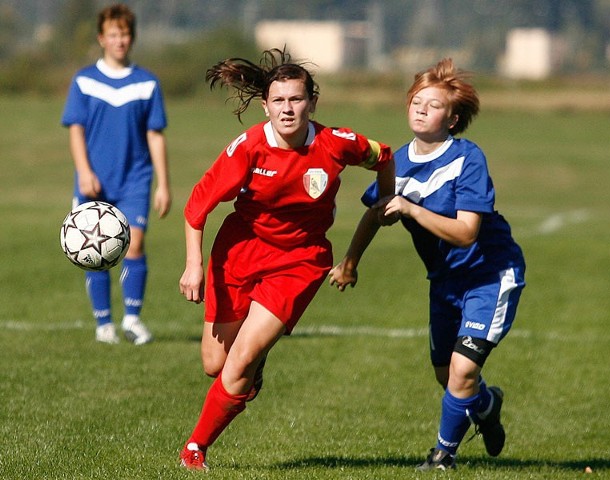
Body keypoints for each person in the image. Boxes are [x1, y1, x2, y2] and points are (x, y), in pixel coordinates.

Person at [177, 47, 395, 470]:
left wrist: (387, 198)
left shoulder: (337, 143)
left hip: (300, 261)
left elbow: (383, 155)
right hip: (240, 251)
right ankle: (254, 362)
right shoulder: (249, 148)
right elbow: (197, 207)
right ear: (266, 105)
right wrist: (193, 264)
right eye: (279, 100)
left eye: (296, 99)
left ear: (312, 102)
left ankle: (195, 448)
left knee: (237, 364)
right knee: (214, 365)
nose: (288, 108)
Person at [329, 58, 526, 470]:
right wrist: (349, 262)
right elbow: (375, 212)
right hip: (445, 282)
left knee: (461, 370)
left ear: (452, 119)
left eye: (433, 105)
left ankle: (442, 457)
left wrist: (412, 209)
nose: (420, 108)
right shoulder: (395, 163)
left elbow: (467, 232)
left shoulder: (467, 159)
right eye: (416, 100)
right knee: (447, 376)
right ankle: (487, 406)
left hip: (490, 275)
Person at [61, 3, 171, 345]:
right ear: (101, 38)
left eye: (124, 34)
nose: (119, 40)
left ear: (132, 38)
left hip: (135, 178)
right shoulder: (84, 80)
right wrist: (83, 171)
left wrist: (163, 184)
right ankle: (104, 324)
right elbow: (75, 129)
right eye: (113, 34)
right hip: (95, 178)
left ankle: (133, 320)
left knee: (134, 244)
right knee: (95, 250)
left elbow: (155, 134)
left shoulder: (147, 83)